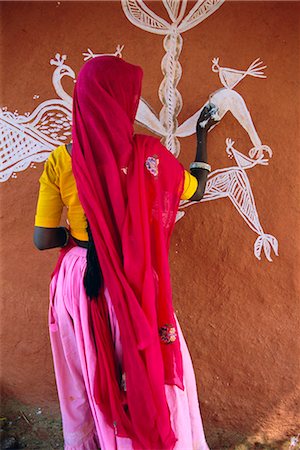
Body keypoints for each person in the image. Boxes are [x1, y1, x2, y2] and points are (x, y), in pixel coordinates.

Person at [34, 56, 218, 450]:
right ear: (122, 102)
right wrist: (202, 138)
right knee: (147, 365)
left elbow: (43, 239)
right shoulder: (148, 156)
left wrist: (79, 234)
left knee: (91, 368)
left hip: (78, 284)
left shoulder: (61, 161)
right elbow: (196, 190)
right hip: (132, 283)